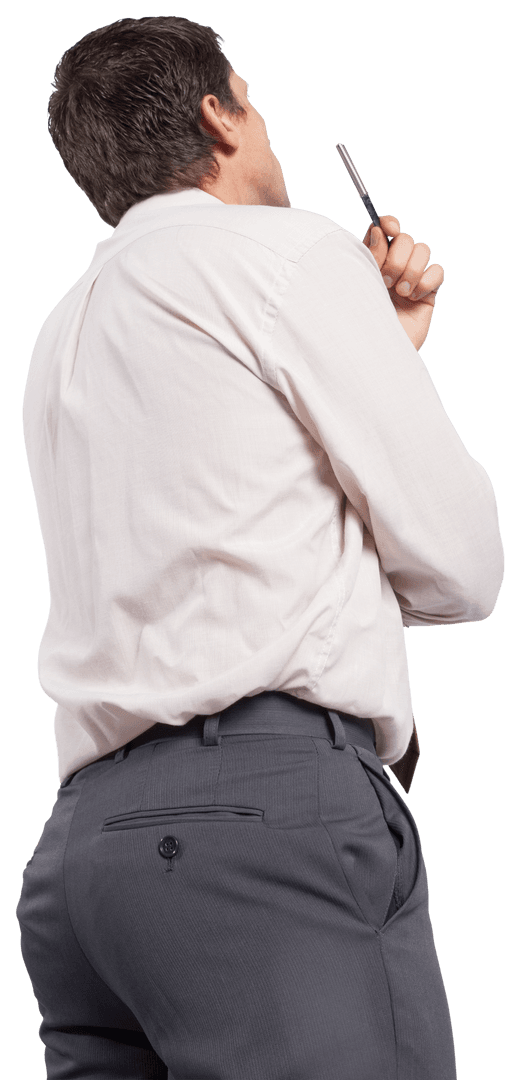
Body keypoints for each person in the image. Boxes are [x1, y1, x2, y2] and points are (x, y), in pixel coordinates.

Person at [15, 14, 504, 1080]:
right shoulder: (289, 254)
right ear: (218, 117)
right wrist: (372, 343)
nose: (264, 123)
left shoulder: (63, 332)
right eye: (254, 99)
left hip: (82, 865)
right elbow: (462, 567)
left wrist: (379, 348)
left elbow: (230, 513)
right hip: (259, 821)